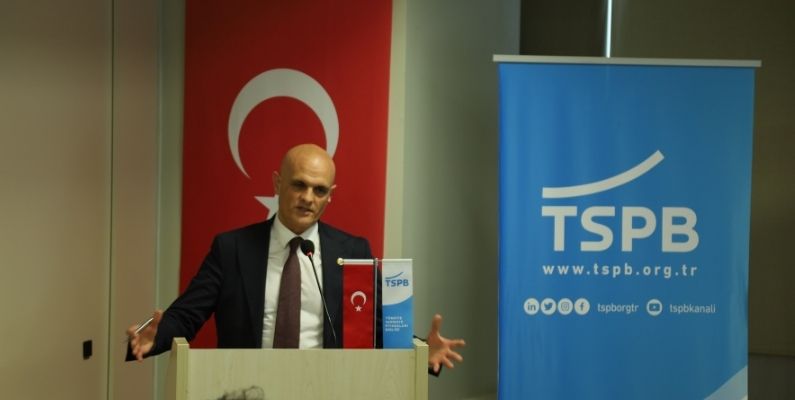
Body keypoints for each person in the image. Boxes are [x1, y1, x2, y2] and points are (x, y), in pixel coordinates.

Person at [127, 143, 465, 374]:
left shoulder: (353, 251)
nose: (308, 198)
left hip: (327, 389)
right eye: (298, 185)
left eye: (319, 190)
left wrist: (423, 351)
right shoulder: (232, 249)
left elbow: (377, 327)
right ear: (277, 184)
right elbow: (188, 314)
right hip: (248, 386)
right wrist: (156, 336)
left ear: (330, 196)